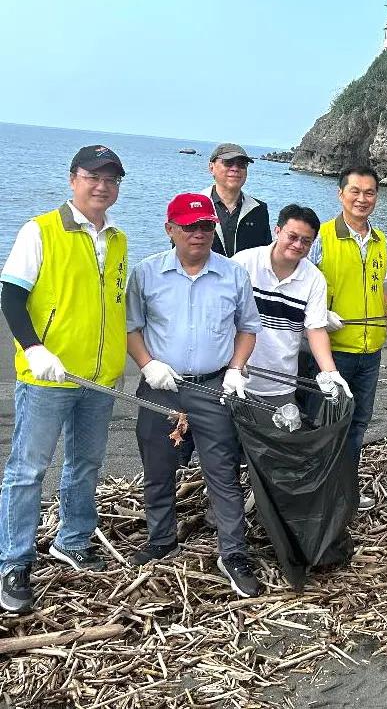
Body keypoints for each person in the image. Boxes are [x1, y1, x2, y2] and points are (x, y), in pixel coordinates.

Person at [0, 146, 128, 613]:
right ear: (73, 179)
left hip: (99, 378)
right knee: (27, 471)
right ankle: (12, 563)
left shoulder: (117, 239)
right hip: (48, 375)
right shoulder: (40, 230)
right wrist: (34, 348)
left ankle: (72, 540)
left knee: (85, 463)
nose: (102, 186)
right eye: (94, 176)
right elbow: (11, 296)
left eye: (112, 179)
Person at [126, 193, 263, 598]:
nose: (199, 234)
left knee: (221, 469)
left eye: (206, 226)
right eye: (189, 227)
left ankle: (233, 552)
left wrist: (236, 368)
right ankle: (161, 537)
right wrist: (148, 364)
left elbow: (247, 327)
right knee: (158, 464)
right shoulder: (146, 273)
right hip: (161, 384)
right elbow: (132, 328)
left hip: (212, 383)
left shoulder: (232, 274)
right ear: (170, 229)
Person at [307, 166, 387, 511]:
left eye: (369, 192)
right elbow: (301, 286)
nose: (362, 199)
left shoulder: (380, 240)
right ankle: (318, 494)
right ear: (340, 194)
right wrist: (319, 316)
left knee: (358, 423)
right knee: (327, 424)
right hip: (332, 353)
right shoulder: (322, 237)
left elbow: (377, 292)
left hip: (371, 351)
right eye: (354, 191)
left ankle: (344, 491)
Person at [231, 204, 352, 409]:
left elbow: (315, 329)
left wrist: (330, 372)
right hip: (233, 375)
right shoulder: (243, 263)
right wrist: (232, 367)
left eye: (306, 241)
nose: (298, 245)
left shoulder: (314, 279)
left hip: (281, 382)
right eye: (292, 236)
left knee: (273, 439)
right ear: (277, 231)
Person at [201, 143, 271, 257]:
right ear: (211, 167)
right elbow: (179, 252)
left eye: (241, 164)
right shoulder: (193, 206)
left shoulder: (259, 209)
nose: (235, 169)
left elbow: (265, 256)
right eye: (228, 163)